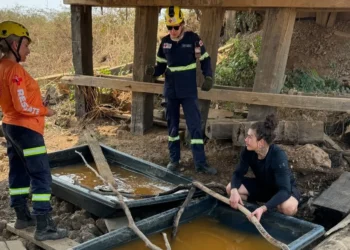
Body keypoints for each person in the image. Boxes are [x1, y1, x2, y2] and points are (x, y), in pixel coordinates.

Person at [0, 21, 67, 240]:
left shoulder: (2, 67)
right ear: (13, 44)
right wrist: (44, 111)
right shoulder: (16, 71)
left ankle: (22, 216)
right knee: (41, 175)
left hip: (10, 126)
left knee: (18, 171)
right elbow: (22, 105)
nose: (29, 49)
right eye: (26, 44)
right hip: (26, 129)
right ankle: (44, 226)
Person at [146, 6, 217, 175]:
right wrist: (153, 72)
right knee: (172, 127)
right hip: (171, 92)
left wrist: (208, 77)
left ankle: (200, 163)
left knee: (194, 127)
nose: (172, 31)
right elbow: (161, 66)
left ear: (183, 24)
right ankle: (174, 160)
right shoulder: (164, 43)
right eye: (169, 27)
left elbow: (205, 59)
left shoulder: (193, 40)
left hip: (188, 92)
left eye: (175, 27)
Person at [226, 114, 300, 221]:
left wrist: (264, 208)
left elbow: (284, 190)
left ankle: (267, 209)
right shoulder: (247, 151)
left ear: (261, 142)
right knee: (230, 188)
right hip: (264, 186)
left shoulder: (278, 155)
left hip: (284, 189)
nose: (245, 140)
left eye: (250, 137)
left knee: (287, 207)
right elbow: (238, 173)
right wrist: (233, 191)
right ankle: (255, 208)